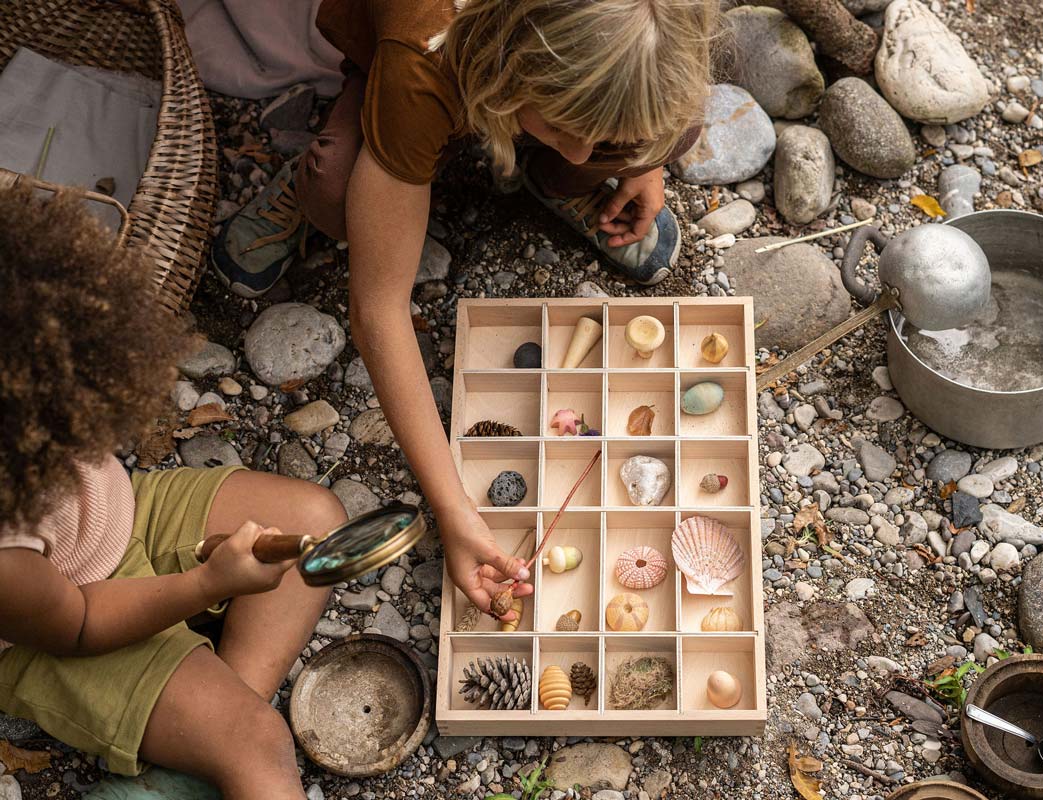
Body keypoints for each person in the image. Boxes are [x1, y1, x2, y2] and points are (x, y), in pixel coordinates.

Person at [211, 0, 718, 621]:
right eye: (566, 125)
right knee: (339, 192)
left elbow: (653, 78)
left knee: (661, 130)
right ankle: (319, 172)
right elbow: (378, 309)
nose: (587, 152)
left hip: (514, 85)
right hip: (423, 74)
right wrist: (453, 508)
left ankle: (547, 171)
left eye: (601, 136)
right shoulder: (423, 57)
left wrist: (646, 161)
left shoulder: (654, 37)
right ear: (515, 54)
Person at [0, 187, 348, 799]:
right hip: (60, 620)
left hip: (110, 517)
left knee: (313, 514)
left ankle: (193, 752)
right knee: (259, 743)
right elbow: (78, 624)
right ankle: (215, 745)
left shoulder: (23, 366)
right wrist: (209, 584)